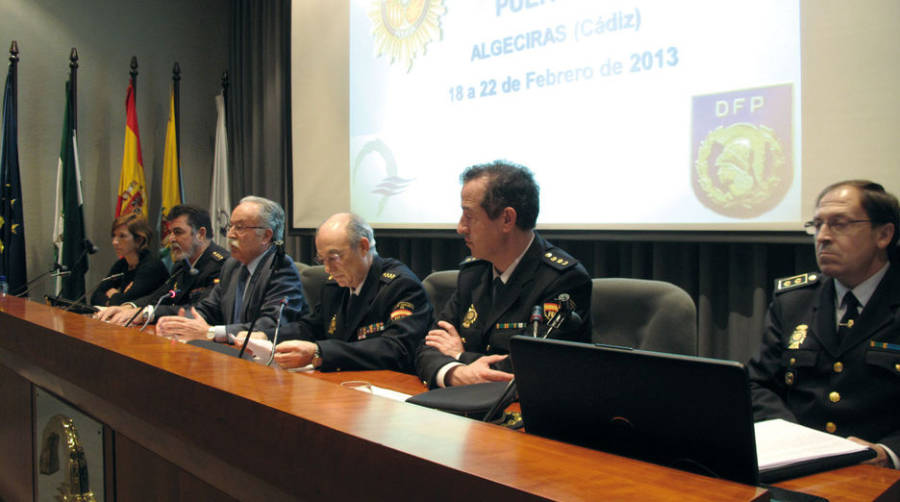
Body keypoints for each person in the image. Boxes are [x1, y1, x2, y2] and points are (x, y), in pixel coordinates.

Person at [747, 180, 900, 469]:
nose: (823, 237)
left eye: (839, 224)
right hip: (797, 464)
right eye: (817, 225)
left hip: (879, 473)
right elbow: (758, 383)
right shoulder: (794, 301)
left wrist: (888, 452)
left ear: (884, 235)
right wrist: (792, 436)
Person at [416, 161, 592, 388]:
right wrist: (454, 373)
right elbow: (428, 346)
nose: (460, 228)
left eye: (469, 216)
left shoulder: (562, 280)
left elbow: (534, 366)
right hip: (466, 405)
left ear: (507, 219)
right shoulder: (473, 273)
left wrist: (460, 357)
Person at [272, 213, 432, 373]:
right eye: (322, 260)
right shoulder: (335, 285)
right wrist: (266, 337)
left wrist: (320, 352)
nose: (327, 268)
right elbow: (311, 327)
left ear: (363, 246)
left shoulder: (400, 285)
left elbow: (397, 349)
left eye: (333, 258)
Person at [155, 196, 307, 341]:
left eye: (239, 228)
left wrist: (212, 333)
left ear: (266, 236)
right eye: (230, 226)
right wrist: (182, 323)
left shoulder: (281, 267)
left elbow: (270, 325)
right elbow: (209, 308)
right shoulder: (232, 265)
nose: (230, 234)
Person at [96, 205, 229, 325]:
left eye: (178, 232)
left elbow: (200, 310)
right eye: (170, 232)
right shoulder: (182, 266)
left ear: (201, 234)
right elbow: (159, 296)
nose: (171, 239)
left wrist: (147, 313)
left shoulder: (220, 265)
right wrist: (128, 307)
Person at [90, 213, 168, 306]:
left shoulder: (151, 266)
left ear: (139, 240)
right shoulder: (122, 264)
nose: (114, 242)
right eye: (114, 235)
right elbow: (95, 296)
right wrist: (114, 299)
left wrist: (113, 294)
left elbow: (126, 303)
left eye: (122, 236)